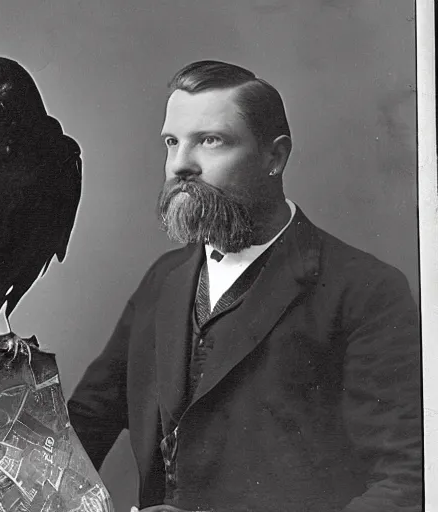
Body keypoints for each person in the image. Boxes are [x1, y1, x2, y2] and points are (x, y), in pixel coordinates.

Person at [67, 61, 422, 512]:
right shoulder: (165, 280)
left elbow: (406, 481)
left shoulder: (364, 290)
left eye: (210, 141)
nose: (180, 165)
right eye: (172, 142)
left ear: (275, 156)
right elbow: (84, 425)